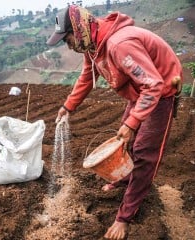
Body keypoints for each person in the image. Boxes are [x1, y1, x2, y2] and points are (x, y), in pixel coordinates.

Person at [47, 5, 183, 240]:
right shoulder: (93, 46)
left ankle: (125, 216)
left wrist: (132, 123)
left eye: (67, 38)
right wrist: (68, 106)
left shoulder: (119, 44)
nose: (67, 45)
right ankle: (126, 179)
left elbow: (153, 85)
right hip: (140, 91)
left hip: (160, 93)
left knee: (142, 153)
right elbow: (86, 79)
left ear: (78, 30)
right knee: (123, 142)